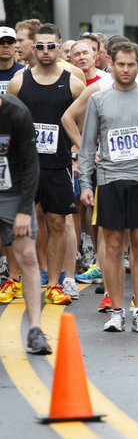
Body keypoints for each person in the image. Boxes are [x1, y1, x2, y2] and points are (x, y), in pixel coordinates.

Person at [77, 42, 138, 333]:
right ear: (113, 65)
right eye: (121, 64)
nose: (126, 70)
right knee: (114, 247)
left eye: (131, 65)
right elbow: (86, 146)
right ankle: (116, 310)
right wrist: (85, 183)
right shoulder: (98, 99)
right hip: (108, 180)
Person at [6, 23, 85, 304]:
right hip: (24, 166)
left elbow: (81, 126)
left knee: (56, 221)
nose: (46, 51)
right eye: (40, 46)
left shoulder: (74, 83)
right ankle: (14, 280)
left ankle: (54, 283)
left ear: (60, 46)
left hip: (58, 164)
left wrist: (75, 154)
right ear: (33, 49)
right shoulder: (19, 81)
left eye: (51, 46)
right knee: (19, 223)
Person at [0, 94, 52, 354]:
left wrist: (23, 210)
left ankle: (35, 331)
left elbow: (32, 164)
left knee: (28, 257)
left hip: (13, 193)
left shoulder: (16, 112)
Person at [0, 27, 23, 93]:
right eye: (1, 42)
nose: (6, 45)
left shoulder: (24, 73)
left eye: (10, 42)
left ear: (15, 45)